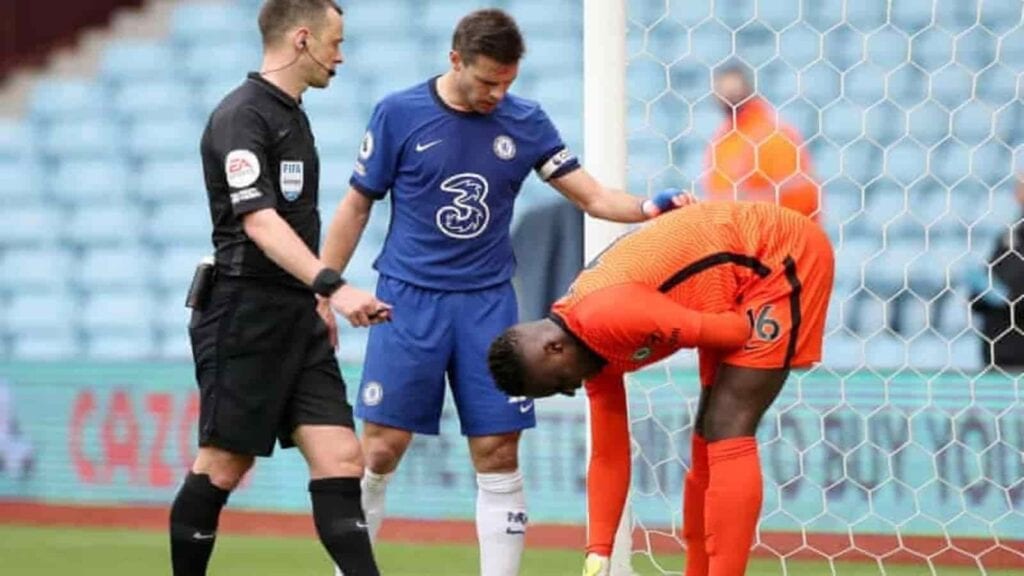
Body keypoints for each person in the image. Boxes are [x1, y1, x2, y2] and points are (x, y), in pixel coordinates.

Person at [320, 9, 689, 576]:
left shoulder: (525, 121)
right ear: (455, 61)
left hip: (488, 305)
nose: (498, 93)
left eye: (508, 82)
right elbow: (356, 203)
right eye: (488, 81)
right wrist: (328, 286)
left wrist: (646, 208)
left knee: (497, 453)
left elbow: (590, 196)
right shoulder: (399, 113)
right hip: (408, 300)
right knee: (379, 450)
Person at [488, 201, 835, 576]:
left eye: (559, 384)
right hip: (726, 285)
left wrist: (684, 322)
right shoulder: (586, 348)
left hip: (776, 257)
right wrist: (598, 549)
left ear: (553, 348)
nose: (572, 389)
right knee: (705, 440)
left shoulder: (607, 315)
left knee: (726, 426)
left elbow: (733, 330)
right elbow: (608, 455)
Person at [168, 2, 389, 575]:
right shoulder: (241, 116)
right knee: (223, 463)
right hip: (245, 313)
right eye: (335, 42)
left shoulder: (292, 113)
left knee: (342, 457)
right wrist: (334, 286)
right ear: (300, 39)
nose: (341, 56)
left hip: (297, 313)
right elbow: (260, 222)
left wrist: (316, 301)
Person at [705, 63, 821, 221]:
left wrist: (747, 205)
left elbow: (802, 192)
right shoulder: (722, 139)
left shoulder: (774, 134)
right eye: (722, 90)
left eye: (733, 91)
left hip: (773, 236)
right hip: (735, 237)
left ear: (749, 90)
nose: (728, 96)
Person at [969, 178, 1024, 369]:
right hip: (996, 351)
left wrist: (1008, 298)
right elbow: (981, 291)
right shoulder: (1008, 236)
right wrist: (981, 292)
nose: (1018, 190)